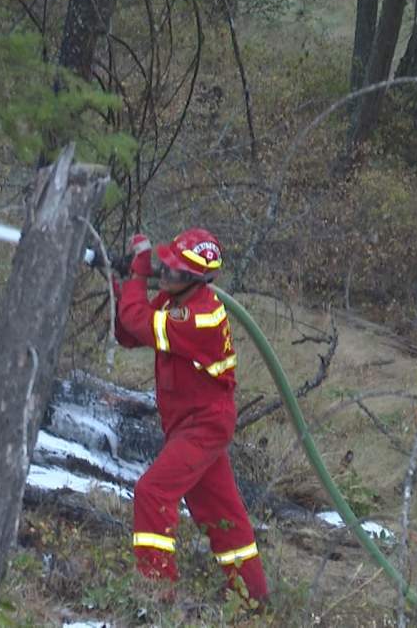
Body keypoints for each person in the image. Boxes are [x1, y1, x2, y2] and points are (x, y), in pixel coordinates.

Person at [109, 228, 269, 606]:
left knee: (153, 493)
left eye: (174, 271)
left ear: (197, 278)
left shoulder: (201, 317)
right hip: (188, 425)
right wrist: (121, 287)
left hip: (203, 427)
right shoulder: (176, 298)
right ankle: (253, 598)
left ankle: (156, 592)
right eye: (165, 265)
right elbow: (130, 334)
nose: (164, 273)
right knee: (221, 513)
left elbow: (140, 324)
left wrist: (135, 278)